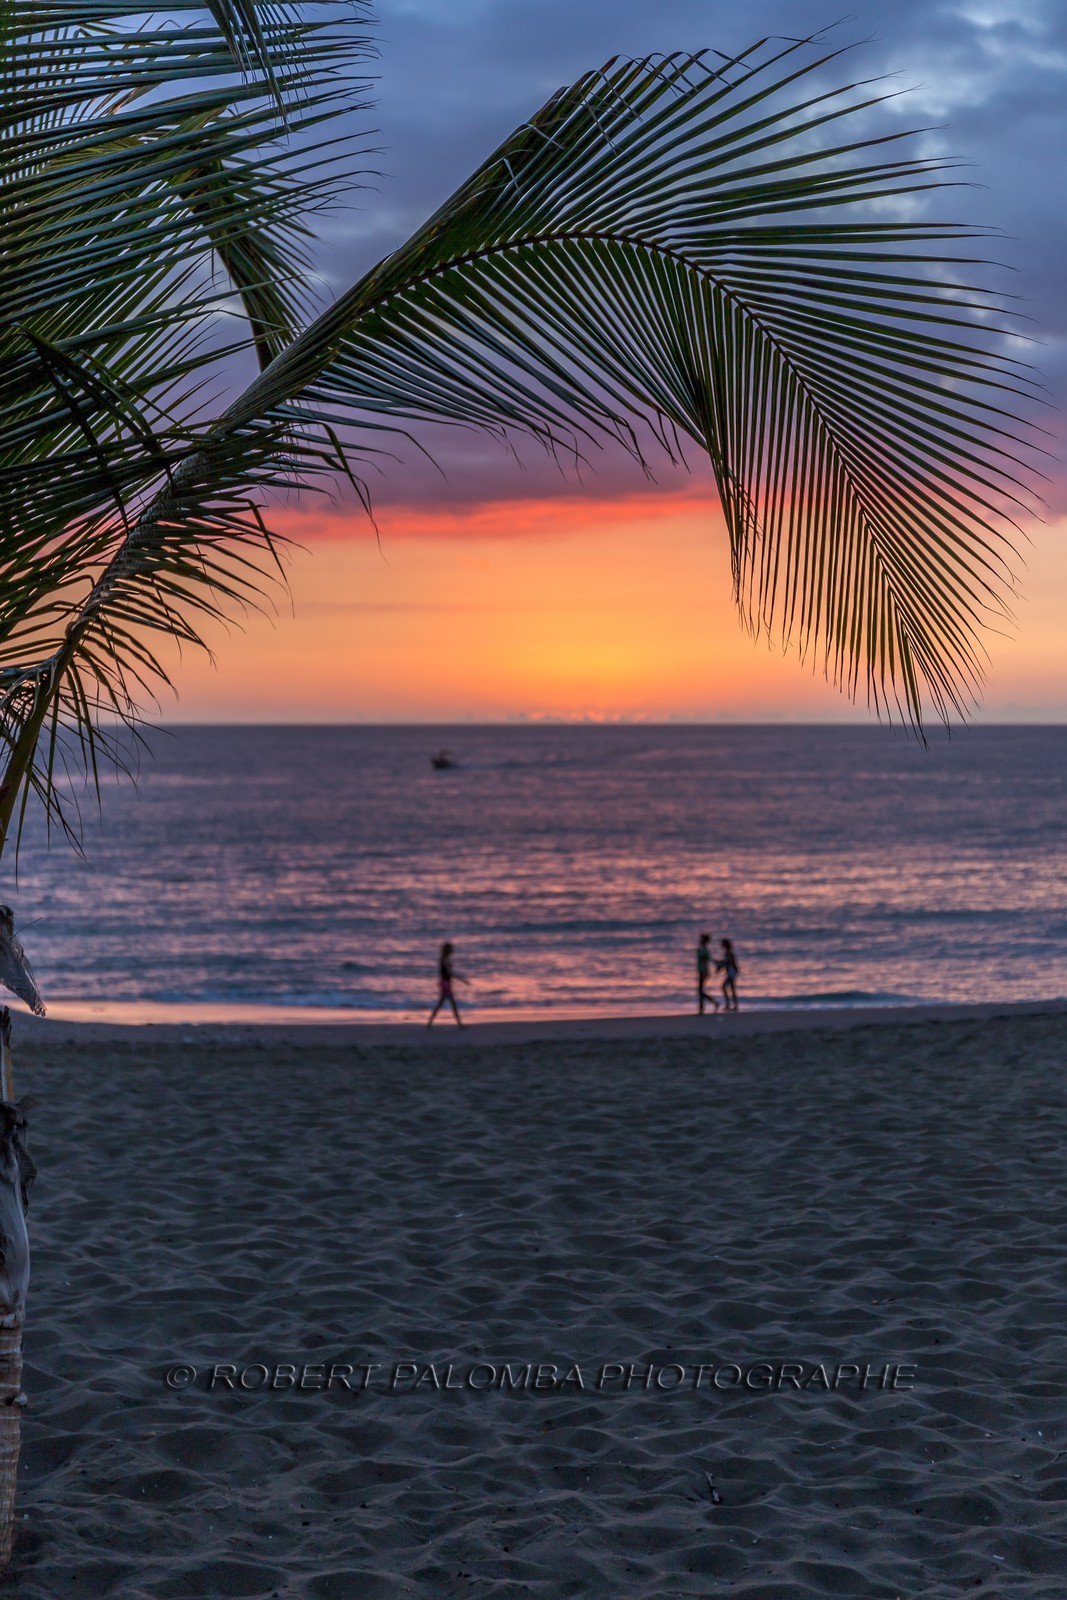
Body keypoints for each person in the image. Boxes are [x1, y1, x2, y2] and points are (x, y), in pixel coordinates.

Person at [427, 940, 465, 1027]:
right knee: (452, 1003)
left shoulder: (444, 959)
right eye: (451, 948)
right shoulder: (445, 960)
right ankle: (459, 1024)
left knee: (441, 1004)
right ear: (448, 950)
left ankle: (430, 1022)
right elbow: (449, 973)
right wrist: (461, 979)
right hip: (446, 984)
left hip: (445, 983)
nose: (453, 950)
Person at [696, 932, 718, 1014]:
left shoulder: (705, 950)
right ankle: (707, 1005)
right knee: (700, 990)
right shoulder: (702, 949)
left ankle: (703, 1007)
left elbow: (708, 959)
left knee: (700, 990)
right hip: (701, 970)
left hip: (704, 971)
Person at [717, 938, 739, 1011]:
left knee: (724, 987)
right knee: (732, 988)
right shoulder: (728, 952)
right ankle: (734, 1005)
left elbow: (729, 962)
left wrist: (720, 966)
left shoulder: (728, 953)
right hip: (732, 971)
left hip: (731, 972)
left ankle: (729, 1005)